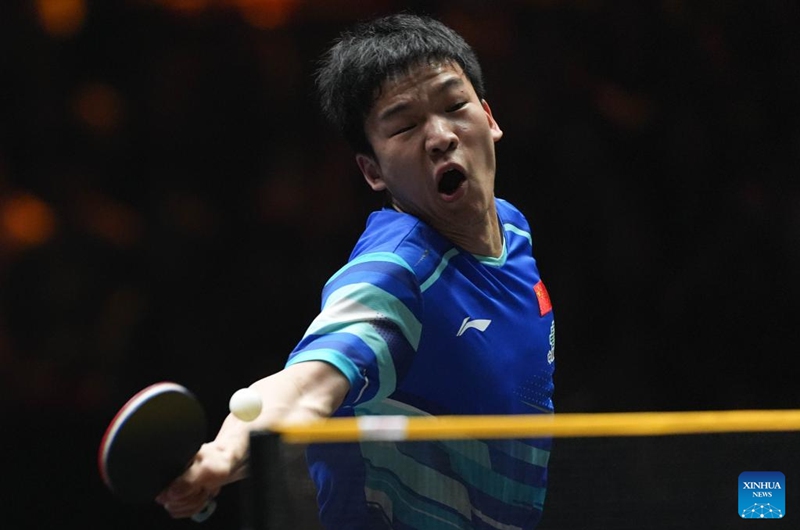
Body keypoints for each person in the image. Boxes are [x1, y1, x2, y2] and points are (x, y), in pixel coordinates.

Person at [156, 12, 556, 529]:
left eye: (454, 106)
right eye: (405, 126)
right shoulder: (396, 273)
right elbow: (306, 384)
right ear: (372, 171)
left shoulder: (513, 228)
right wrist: (225, 452)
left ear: (489, 118)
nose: (439, 136)